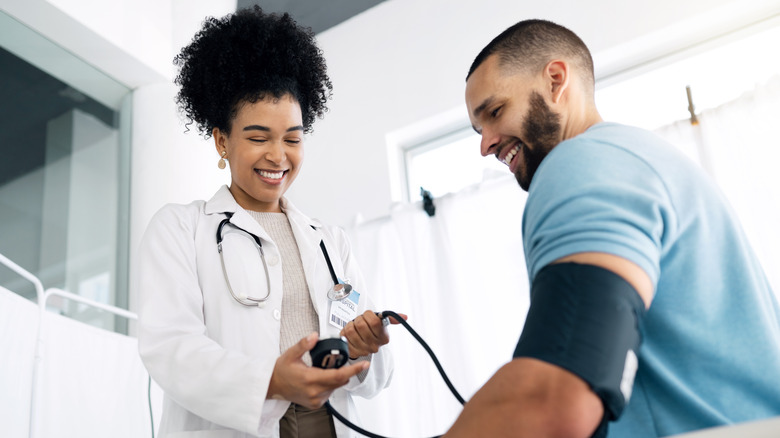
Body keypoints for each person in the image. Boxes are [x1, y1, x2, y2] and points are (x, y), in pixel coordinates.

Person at [445, 19, 780, 438]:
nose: (485, 144)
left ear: (554, 80)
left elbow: (557, 399)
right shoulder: (642, 157)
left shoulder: (580, 163)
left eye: (494, 112)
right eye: (479, 130)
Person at [136, 7, 403, 438]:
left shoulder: (329, 241)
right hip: (239, 424)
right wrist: (272, 380)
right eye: (258, 138)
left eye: (293, 139)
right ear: (222, 140)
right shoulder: (180, 229)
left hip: (330, 422)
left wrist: (359, 346)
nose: (278, 156)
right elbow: (170, 349)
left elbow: (375, 378)